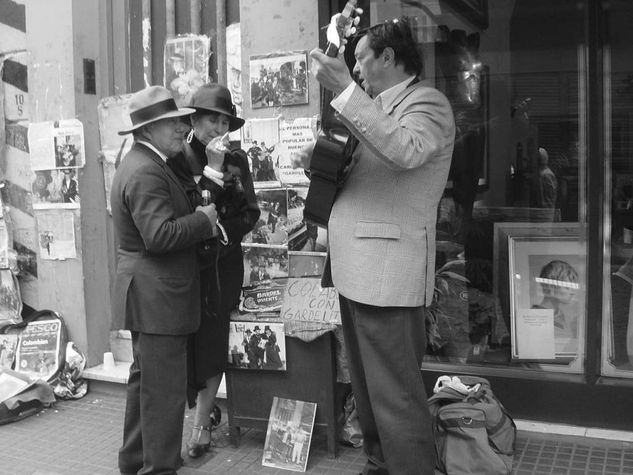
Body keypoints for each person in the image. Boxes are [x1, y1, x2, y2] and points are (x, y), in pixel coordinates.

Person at [294, 16, 455, 475]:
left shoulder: (428, 103)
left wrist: (346, 90)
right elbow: (365, 176)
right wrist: (319, 162)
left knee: (395, 394)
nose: (356, 67)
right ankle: (380, 461)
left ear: (388, 56)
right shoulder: (375, 106)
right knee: (367, 390)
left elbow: (405, 151)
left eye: (361, 58)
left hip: (387, 271)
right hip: (357, 267)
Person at [111, 85, 218, 475]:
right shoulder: (145, 169)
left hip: (153, 296)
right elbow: (158, 236)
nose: (181, 127)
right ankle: (158, 468)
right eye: (173, 122)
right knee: (164, 394)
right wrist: (203, 221)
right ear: (148, 130)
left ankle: (135, 462)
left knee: (147, 388)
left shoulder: (147, 163)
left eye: (181, 119)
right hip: (158, 298)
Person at [166, 83, 260, 459]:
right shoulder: (177, 156)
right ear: (193, 119)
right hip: (186, 262)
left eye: (224, 121)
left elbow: (249, 212)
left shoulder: (238, 158)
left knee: (213, 340)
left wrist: (222, 233)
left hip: (224, 263)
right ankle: (190, 411)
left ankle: (201, 422)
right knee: (186, 340)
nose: (218, 128)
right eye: (211, 119)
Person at [532, 259, 579, 352]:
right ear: (551, 287)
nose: (572, 292)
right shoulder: (535, 318)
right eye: (567, 287)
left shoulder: (560, 315)